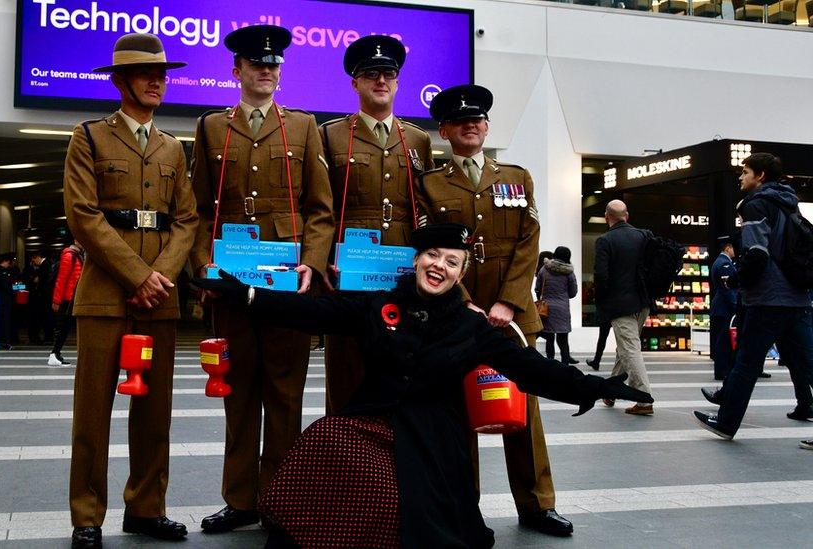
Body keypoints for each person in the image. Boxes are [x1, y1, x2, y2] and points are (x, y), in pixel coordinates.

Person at [194, 223, 651, 549]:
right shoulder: (379, 305)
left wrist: (590, 386)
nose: (440, 266)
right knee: (324, 438)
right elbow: (313, 313)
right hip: (370, 422)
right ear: (417, 261)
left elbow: (529, 367)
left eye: (452, 262)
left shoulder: (473, 329)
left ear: (460, 274)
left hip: (432, 437)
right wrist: (246, 293)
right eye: (433, 256)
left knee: (407, 509)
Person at [189, 25, 334, 534]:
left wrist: (312, 265)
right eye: (256, 64)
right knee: (239, 392)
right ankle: (240, 499)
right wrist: (206, 266)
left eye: (273, 65)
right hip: (231, 283)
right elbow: (199, 210)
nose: (266, 70)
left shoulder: (303, 126)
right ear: (238, 70)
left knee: (286, 393)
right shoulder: (211, 127)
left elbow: (320, 209)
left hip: (286, 285)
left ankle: (281, 500)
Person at [416, 85, 574, 537]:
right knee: (457, 410)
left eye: (478, 119)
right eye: (460, 121)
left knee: (524, 408)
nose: (471, 125)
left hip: (512, 314)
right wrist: (462, 302)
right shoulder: (430, 184)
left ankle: (538, 505)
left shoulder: (516, 177)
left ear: (486, 126)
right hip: (456, 311)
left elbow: (529, 244)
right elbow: (431, 250)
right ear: (444, 131)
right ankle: (465, 507)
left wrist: (508, 301)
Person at [63, 33, 199, 548]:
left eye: (162, 73)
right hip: (105, 292)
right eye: (146, 73)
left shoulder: (172, 148)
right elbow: (83, 215)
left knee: (154, 409)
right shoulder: (89, 137)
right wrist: (137, 276)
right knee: (92, 410)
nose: (157, 80)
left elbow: (186, 220)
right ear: (119, 80)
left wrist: (159, 276)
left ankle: (146, 507)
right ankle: (86, 516)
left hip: (159, 296)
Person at [319, 35, 434, 414]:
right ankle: (343, 463)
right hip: (347, 276)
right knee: (346, 376)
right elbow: (321, 208)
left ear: (398, 82)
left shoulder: (417, 139)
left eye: (388, 73)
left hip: (401, 278)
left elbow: (424, 211)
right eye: (370, 74)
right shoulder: (330, 135)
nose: (380, 81)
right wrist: (323, 264)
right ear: (355, 83)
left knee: (400, 374)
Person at [695, 153, 813, 439]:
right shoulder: (789, 205)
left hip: (767, 297)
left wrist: (736, 279)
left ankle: (726, 422)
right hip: (796, 297)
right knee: (807, 361)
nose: (741, 177)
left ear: (760, 176)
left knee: (746, 363)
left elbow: (756, 254)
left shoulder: (756, 204)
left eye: (745, 172)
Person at [594, 199, 654, 415]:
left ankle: (644, 399)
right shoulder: (643, 236)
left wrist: (602, 302)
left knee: (629, 348)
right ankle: (611, 390)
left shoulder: (605, 240)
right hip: (643, 302)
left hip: (620, 305)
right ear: (627, 215)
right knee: (625, 347)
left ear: (606, 217)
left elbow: (601, 276)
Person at [536, 246, 578, 364]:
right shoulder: (569, 273)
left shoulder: (544, 269)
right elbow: (573, 292)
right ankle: (565, 367)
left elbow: (537, 288)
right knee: (563, 340)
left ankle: (550, 365)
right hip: (562, 309)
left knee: (549, 338)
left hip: (546, 309)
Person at [48, 240, 85, 366]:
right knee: (64, 327)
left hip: (73, 298)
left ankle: (56, 353)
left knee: (66, 327)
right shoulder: (70, 256)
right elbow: (61, 279)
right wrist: (56, 301)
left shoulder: (77, 255)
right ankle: (54, 354)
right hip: (68, 299)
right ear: (76, 241)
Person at [710, 236, 738, 381]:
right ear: (727, 248)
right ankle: (721, 371)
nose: (735, 251)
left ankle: (724, 369)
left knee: (724, 340)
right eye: (733, 248)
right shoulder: (724, 264)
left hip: (722, 308)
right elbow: (727, 289)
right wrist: (735, 306)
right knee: (723, 341)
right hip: (724, 308)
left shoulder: (722, 262)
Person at [24, 251, 54, 344]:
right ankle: (48, 337)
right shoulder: (48, 264)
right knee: (46, 317)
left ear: (37, 257)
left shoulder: (45, 265)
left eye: (34, 260)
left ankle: (48, 338)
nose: (34, 263)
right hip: (46, 295)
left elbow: (39, 280)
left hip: (44, 295)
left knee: (46, 317)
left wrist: (36, 279)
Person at [0, 252, 19, 350]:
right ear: (7, 261)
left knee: (6, 320)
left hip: (6, 300)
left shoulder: (5, 270)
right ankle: (4, 341)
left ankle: (5, 340)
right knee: (4, 320)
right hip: (3, 299)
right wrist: (13, 290)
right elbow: (4, 285)